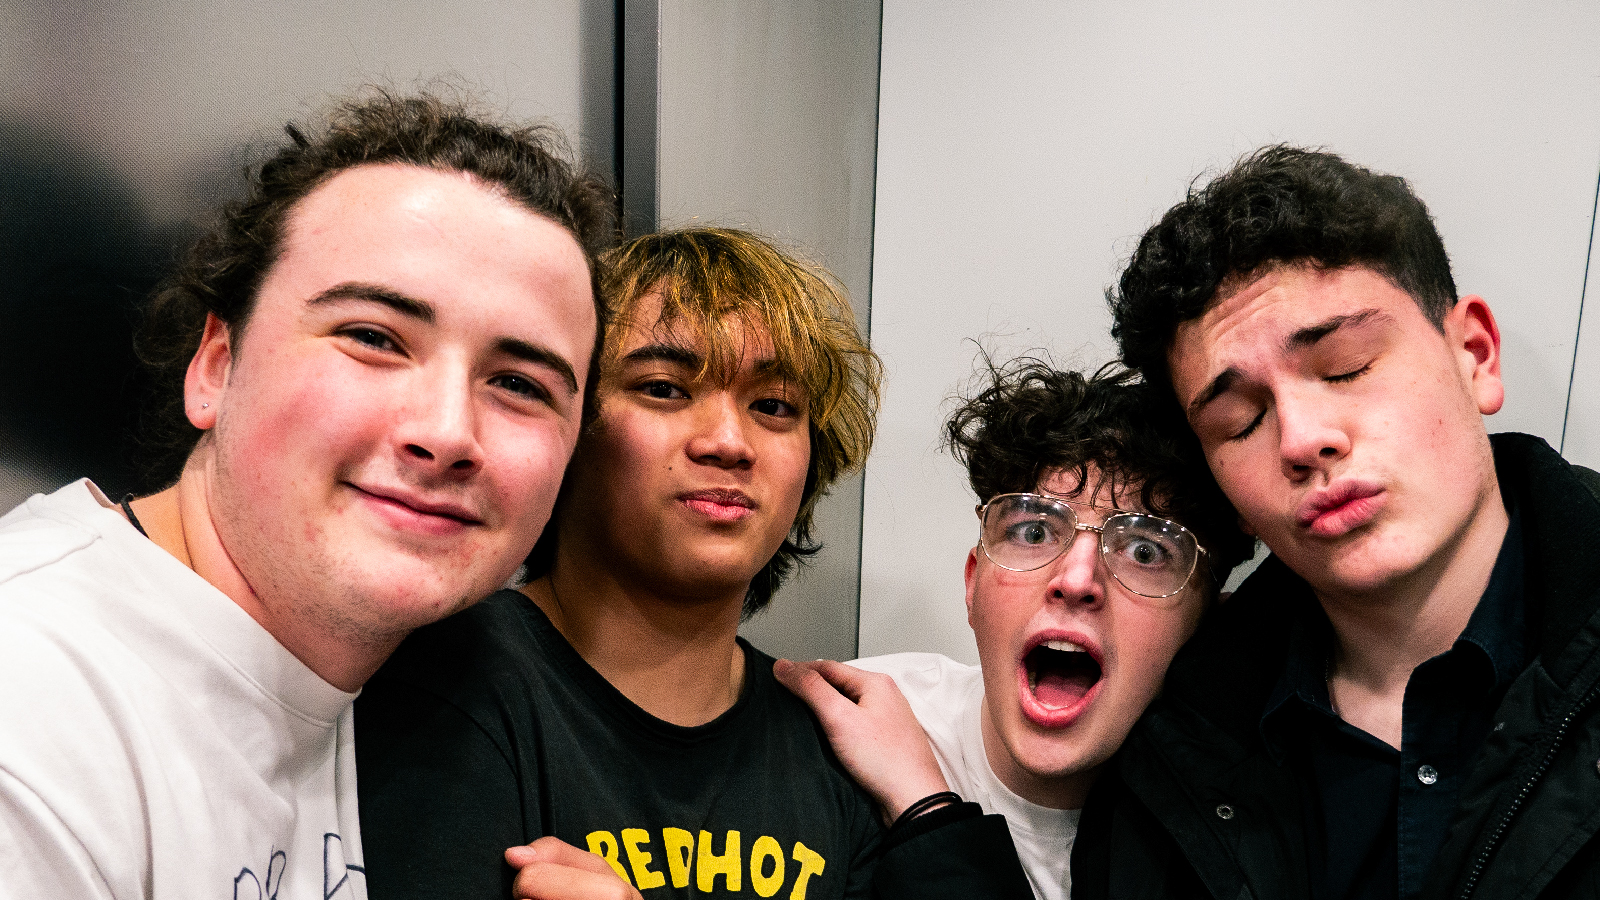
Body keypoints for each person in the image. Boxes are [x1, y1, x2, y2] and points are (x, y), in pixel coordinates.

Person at [0, 92, 616, 898]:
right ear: (215, 367)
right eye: (372, 337)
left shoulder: (427, 697)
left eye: (520, 385)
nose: (446, 432)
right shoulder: (34, 716)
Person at [356, 227, 1034, 900]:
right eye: (664, 389)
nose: (729, 442)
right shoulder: (445, 678)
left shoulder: (834, 750)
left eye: (773, 406)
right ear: (565, 426)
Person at [1077, 145, 1600, 900]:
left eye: (1346, 367)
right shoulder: (1169, 758)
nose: (1300, 440)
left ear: (1475, 356)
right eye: (1240, 420)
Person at [776, 361, 1254, 900]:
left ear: (1208, 627)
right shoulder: (841, 735)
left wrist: (925, 806)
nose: (1076, 580)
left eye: (1145, 551)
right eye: (1034, 531)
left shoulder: (1252, 829)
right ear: (973, 584)